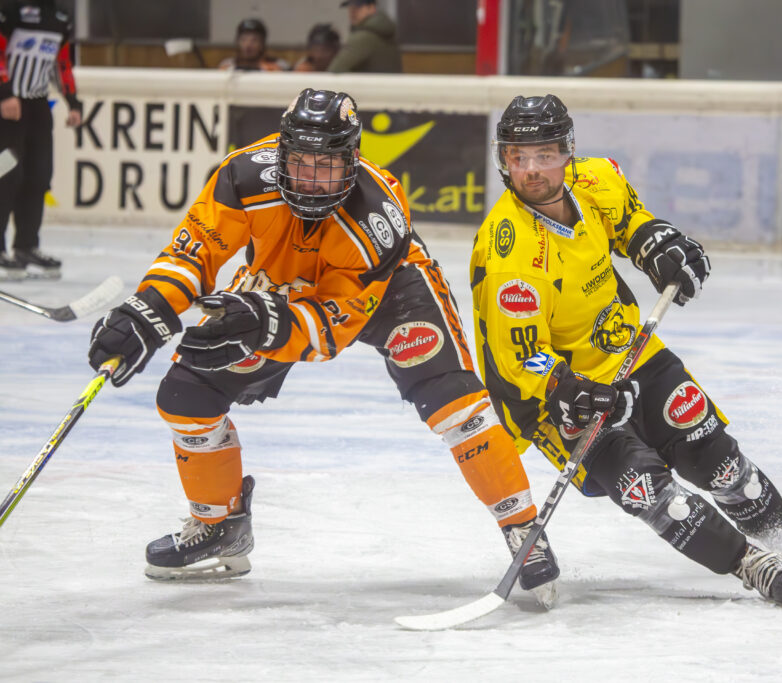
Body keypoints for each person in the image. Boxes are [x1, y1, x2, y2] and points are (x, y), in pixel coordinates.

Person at [86, 89, 559, 606]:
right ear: (281, 152)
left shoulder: (377, 215)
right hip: (280, 280)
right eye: (301, 162)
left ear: (352, 160)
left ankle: (523, 529)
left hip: (390, 291)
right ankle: (218, 525)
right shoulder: (242, 176)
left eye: (328, 166)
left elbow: (331, 327)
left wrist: (264, 320)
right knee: (187, 394)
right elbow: (192, 254)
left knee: (454, 405)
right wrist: (146, 310)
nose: (312, 178)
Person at [469, 94, 782, 607]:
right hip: (559, 394)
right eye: (519, 157)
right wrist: (570, 389)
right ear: (503, 159)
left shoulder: (596, 179)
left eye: (544, 154)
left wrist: (660, 246)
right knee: (649, 489)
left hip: (634, 354)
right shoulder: (508, 255)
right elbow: (517, 361)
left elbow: (633, 225)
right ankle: (749, 563)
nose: (531, 170)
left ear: (568, 152)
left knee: (719, 461)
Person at [0, 0, 82, 280]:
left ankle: (26, 246)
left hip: (36, 107)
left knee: (38, 175)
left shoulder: (59, 16)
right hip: (8, 108)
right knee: (6, 175)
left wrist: (73, 102)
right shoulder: (10, 8)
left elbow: (62, 62)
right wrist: (5, 92)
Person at [328, 0, 401, 74]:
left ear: (371, 8)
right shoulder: (385, 32)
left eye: (358, 7)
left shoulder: (363, 37)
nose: (352, 12)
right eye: (350, 8)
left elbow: (335, 70)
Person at [218, 17, 290, 72]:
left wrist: (278, 73)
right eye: (243, 40)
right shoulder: (228, 65)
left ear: (262, 44)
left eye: (254, 40)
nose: (248, 45)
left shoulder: (278, 64)